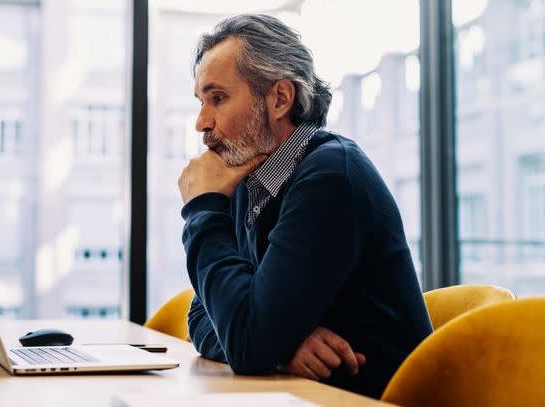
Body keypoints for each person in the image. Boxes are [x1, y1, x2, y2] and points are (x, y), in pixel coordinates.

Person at [177, 14, 432, 398]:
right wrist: (279, 347)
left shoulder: (330, 177)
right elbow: (202, 317)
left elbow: (247, 341)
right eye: (201, 101)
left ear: (280, 98)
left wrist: (202, 208)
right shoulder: (250, 182)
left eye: (218, 98)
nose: (201, 123)